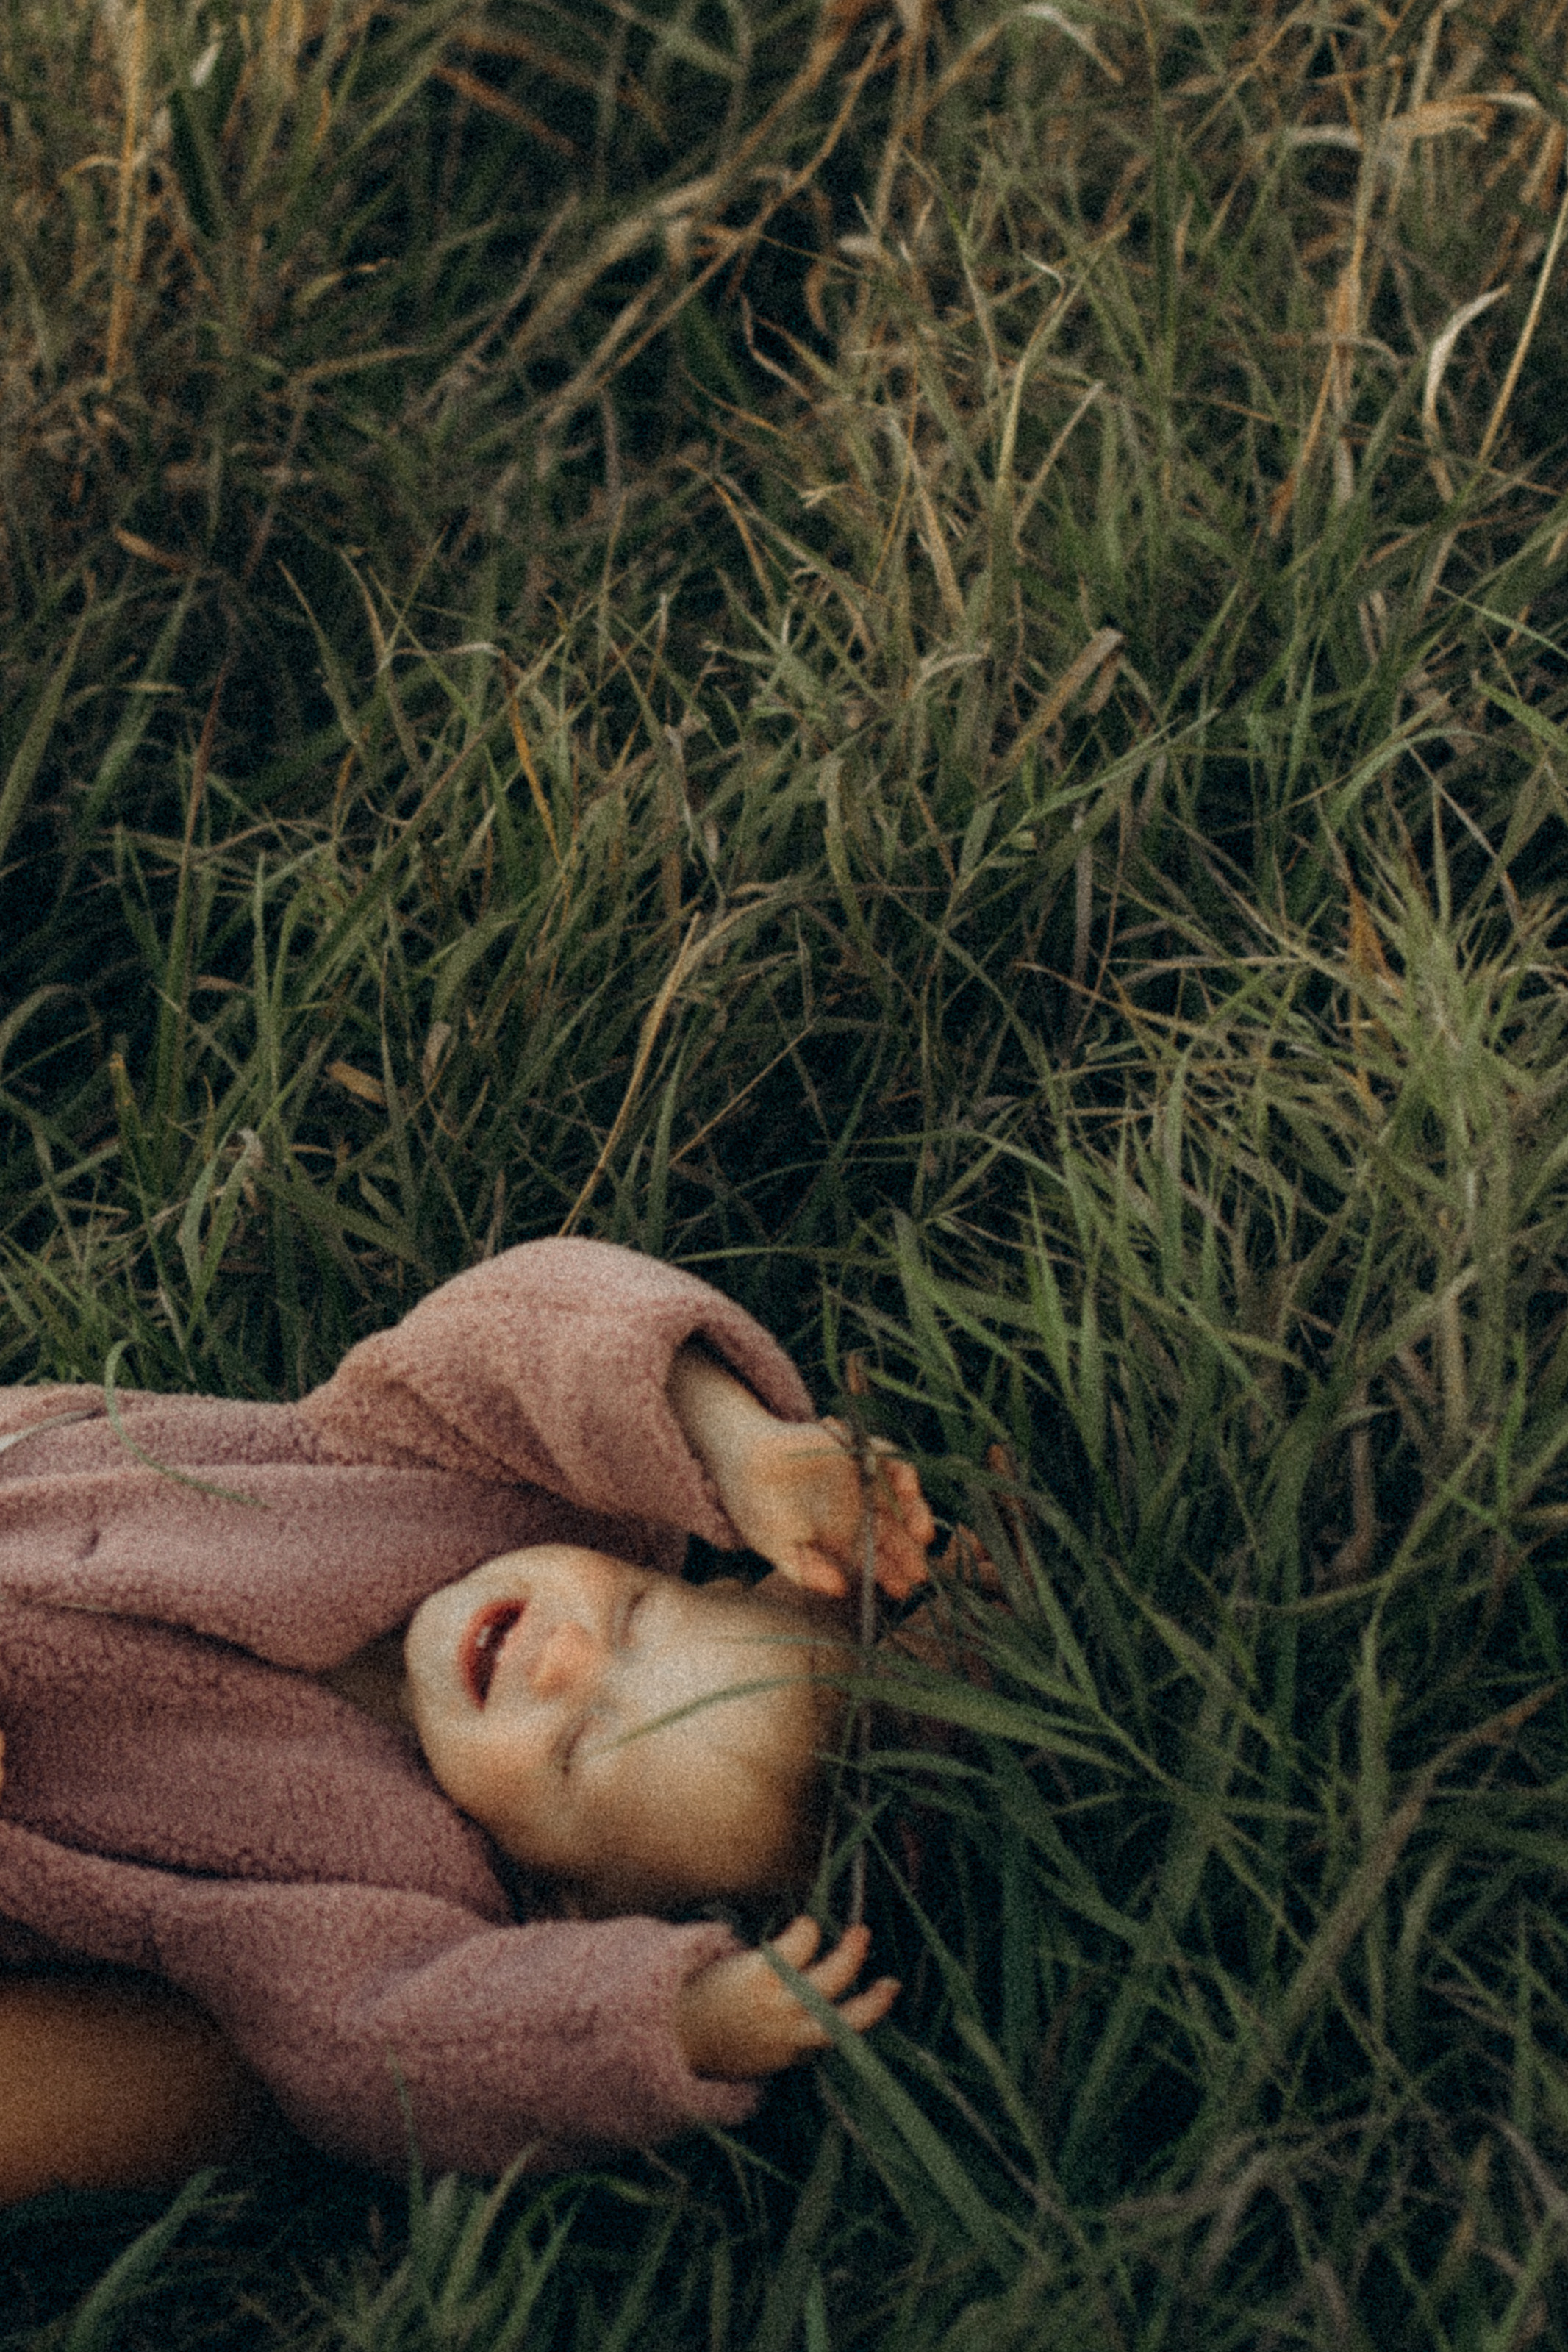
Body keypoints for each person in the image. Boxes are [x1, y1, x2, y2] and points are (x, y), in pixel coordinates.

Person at [0, 1239, 934, 2204]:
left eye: (576, 1750)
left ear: (576, 1907)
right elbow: (528, 1321)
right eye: (633, 1617)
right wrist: (733, 1441)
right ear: (707, 1574)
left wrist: (670, 2019)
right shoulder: (492, 1496)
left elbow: (389, 2049)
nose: (562, 1661)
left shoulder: (388, 1891)